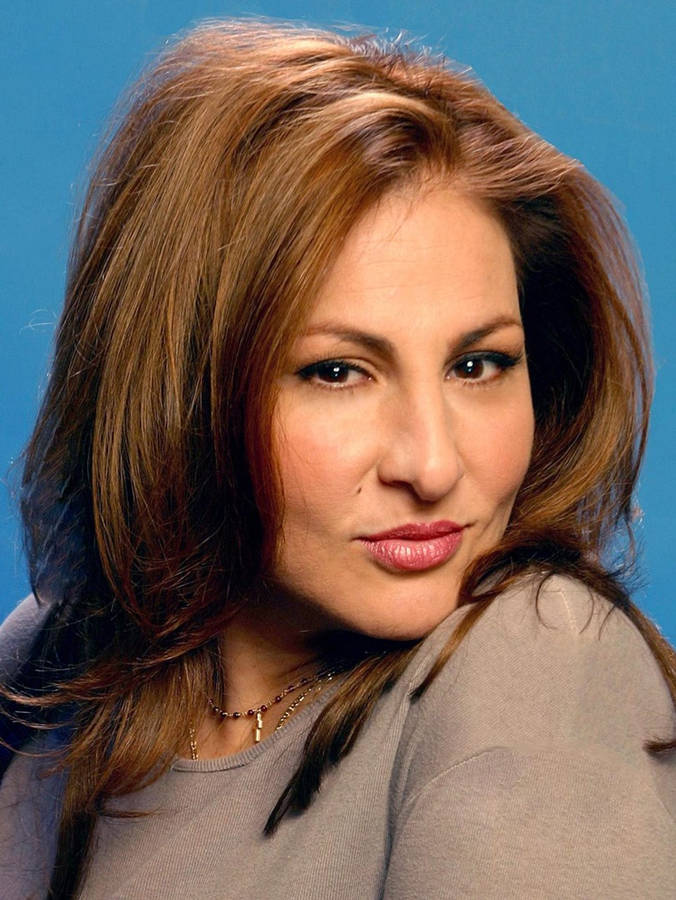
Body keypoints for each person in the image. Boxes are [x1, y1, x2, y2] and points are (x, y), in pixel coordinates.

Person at [1, 17, 674, 899]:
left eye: (478, 365)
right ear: (185, 391)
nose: (432, 467)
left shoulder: (536, 660)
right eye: (338, 372)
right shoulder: (50, 665)